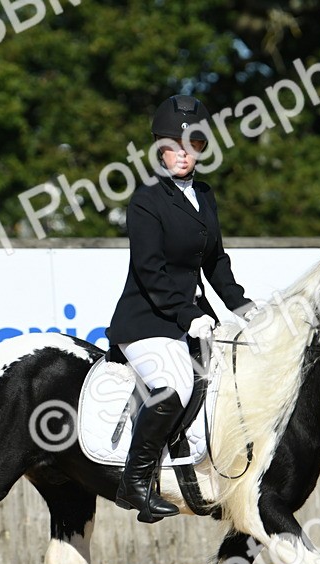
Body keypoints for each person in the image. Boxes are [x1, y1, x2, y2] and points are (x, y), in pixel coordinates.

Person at [105, 95, 258, 523]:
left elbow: (215, 262)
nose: (182, 154)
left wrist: (242, 306)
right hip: (147, 322)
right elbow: (150, 271)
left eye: (192, 144)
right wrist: (188, 315)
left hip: (190, 320)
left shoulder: (205, 196)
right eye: (173, 146)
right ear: (158, 149)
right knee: (176, 385)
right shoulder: (146, 199)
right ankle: (135, 484)